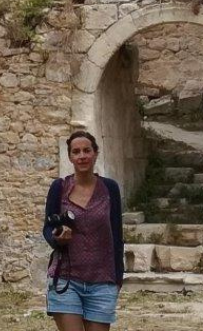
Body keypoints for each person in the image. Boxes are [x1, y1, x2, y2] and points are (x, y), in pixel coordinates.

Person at [42, 130, 124, 331]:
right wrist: (57, 238)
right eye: (76, 152)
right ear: (70, 157)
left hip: (102, 281)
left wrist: (118, 277)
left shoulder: (110, 189)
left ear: (95, 153)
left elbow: (117, 234)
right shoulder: (59, 187)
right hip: (66, 278)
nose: (82, 156)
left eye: (87, 150)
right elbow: (47, 228)